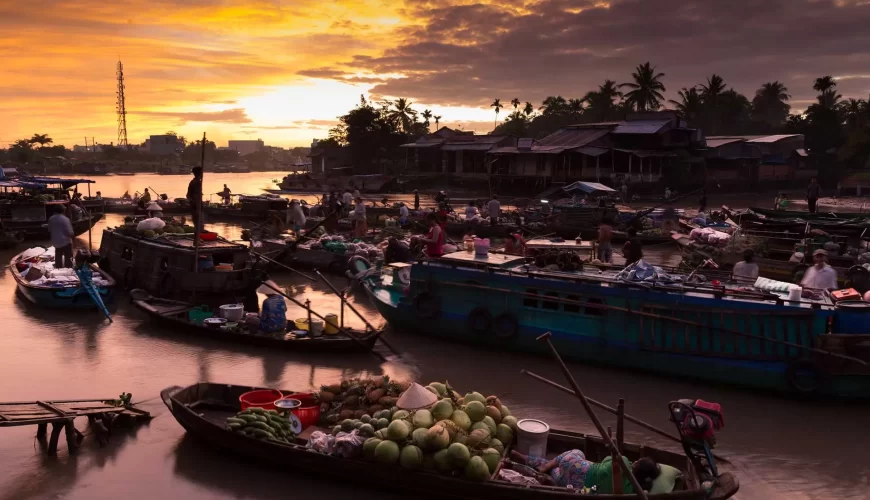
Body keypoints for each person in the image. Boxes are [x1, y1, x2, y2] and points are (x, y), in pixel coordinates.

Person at [510, 449, 661, 495]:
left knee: (577, 453)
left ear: (637, 464)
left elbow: (605, 461)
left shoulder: (624, 462)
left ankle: (534, 462)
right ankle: (548, 474)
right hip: (581, 488)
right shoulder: (630, 491)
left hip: (577, 466)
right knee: (556, 472)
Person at [47, 204, 75, 268]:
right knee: (68, 257)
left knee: (58, 255)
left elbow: (49, 230)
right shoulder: (65, 219)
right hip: (65, 242)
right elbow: (70, 232)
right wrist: (74, 240)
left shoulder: (51, 219)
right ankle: (68, 267)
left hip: (56, 242)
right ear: (63, 211)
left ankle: (58, 267)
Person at [187, 167, 203, 233]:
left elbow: (189, 195)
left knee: (198, 224)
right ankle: (198, 236)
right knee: (198, 224)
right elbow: (190, 195)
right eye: (201, 173)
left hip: (196, 205)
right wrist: (195, 203)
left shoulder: (196, 182)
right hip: (196, 206)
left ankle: (198, 235)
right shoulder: (196, 182)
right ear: (199, 173)